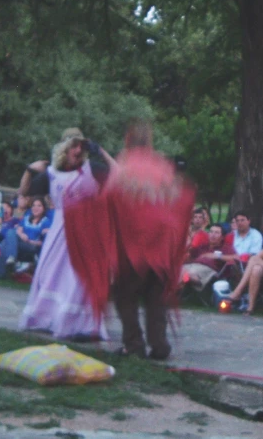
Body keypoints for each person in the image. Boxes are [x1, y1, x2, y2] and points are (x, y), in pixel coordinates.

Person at [71, 119, 195, 359]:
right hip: (162, 248)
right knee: (156, 297)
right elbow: (175, 201)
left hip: (134, 247)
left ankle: (134, 343)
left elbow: (109, 201)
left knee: (125, 296)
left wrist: (80, 211)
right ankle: (159, 345)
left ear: (128, 139)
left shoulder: (126, 166)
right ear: (150, 140)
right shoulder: (163, 166)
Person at [17, 128, 116, 340]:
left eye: (82, 145)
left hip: (86, 231)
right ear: (65, 148)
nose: (78, 150)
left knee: (79, 279)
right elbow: (24, 195)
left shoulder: (93, 169)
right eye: (74, 145)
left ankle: (77, 324)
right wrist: (28, 170)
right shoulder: (52, 174)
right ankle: (47, 318)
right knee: (50, 275)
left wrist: (102, 152)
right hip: (59, 232)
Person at [0, 197, 50, 279]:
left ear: (44, 208)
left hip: (33, 246)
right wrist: (22, 235)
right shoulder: (26, 218)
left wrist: (29, 241)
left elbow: (44, 242)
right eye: (34, 205)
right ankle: (10, 259)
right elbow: (18, 230)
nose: (35, 208)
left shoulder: (46, 222)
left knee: (6, 242)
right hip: (21, 243)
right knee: (9, 236)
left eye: (39, 206)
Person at [182, 223, 236, 290]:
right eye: (211, 232)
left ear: (222, 237)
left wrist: (217, 256)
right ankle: (184, 280)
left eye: (216, 233)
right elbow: (189, 256)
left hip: (208, 270)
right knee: (177, 271)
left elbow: (236, 258)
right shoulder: (203, 246)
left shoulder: (226, 248)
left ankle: (186, 278)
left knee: (184, 274)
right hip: (192, 266)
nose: (213, 235)